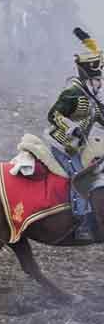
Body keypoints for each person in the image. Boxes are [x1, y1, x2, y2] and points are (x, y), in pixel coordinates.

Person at [47, 28, 104, 240]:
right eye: (98, 79)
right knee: (80, 177)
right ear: (89, 79)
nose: (100, 83)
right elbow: (53, 115)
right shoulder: (71, 93)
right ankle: (81, 223)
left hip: (83, 144)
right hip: (65, 144)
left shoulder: (93, 99)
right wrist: (72, 128)